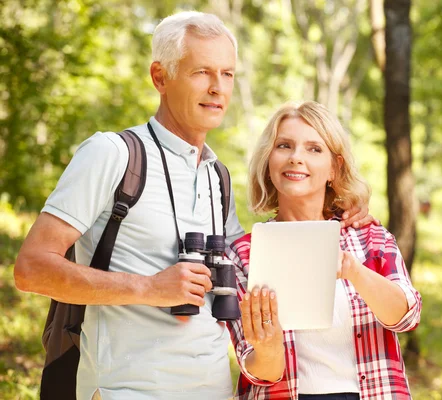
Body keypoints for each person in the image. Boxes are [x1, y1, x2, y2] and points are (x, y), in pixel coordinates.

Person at [13, 12, 371, 400]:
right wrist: (149, 287)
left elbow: (256, 263)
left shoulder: (218, 176)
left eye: (228, 74)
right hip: (124, 389)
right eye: (201, 72)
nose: (218, 88)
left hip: (212, 390)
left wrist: (340, 212)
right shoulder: (112, 154)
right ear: (160, 77)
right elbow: (31, 269)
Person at [226, 101, 422, 400]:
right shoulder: (243, 254)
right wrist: (267, 346)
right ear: (269, 160)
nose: (296, 158)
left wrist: (354, 271)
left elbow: (406, 317)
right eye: (284, 146)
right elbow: (259, 371)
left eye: (314, 149)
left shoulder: (368, 237)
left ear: (335, 167)